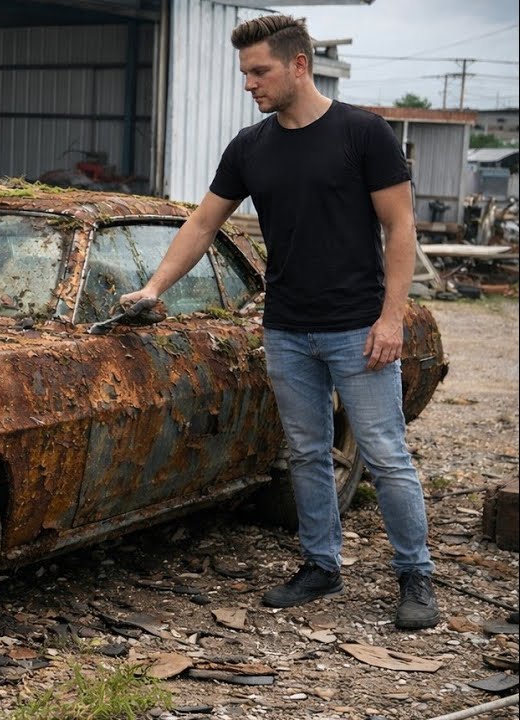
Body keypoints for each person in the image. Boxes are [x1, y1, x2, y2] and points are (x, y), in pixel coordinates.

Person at [120, 15, 438, 629]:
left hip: (358, 327)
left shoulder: (363, 133)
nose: (249, 84)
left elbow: (400, 228)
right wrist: (155, 287)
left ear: (298, 65)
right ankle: (320, 565)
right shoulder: (250, 146)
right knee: (306, 453)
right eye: (245, 73)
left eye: (259, 71)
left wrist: (391, 318)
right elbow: (203, 223)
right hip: (286, 329)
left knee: (385, 455)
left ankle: (415, 576)